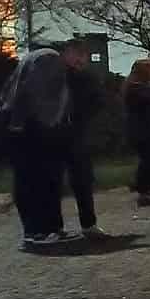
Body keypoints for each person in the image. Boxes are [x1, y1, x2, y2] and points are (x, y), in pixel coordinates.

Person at [0, 46, 74, 247]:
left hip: (22, 126)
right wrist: (49, 122)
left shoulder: (32, 60)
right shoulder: (49, 59)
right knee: (39, 178)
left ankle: (44, 228)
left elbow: (12, 91)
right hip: (33, 127)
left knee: (32, 177)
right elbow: (34, 92)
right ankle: (39, 229)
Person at [60, 40, 106, 236]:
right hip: (60, 133)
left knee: (82, 179)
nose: (79, 59)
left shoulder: (84, 78)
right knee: (56, 180)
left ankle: (88, 223)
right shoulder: (60, 76)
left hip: (76, 133)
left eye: (82, 55)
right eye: (75, 54)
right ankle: (54, 226)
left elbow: (96, 101)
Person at [123, 59, 150, 206]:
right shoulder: (136, 89)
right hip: (143, 131)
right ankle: (143, 189)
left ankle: (143, 186)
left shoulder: (143, 88)